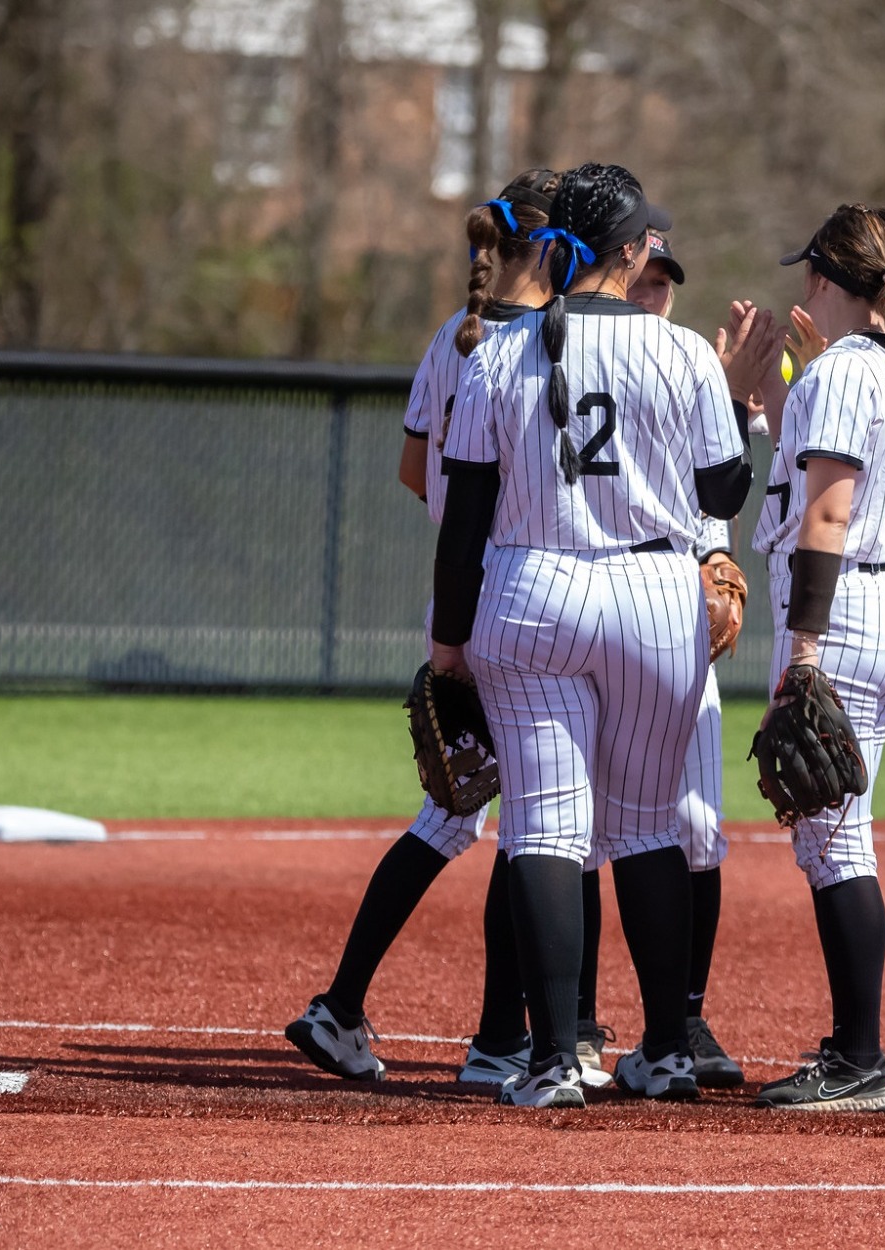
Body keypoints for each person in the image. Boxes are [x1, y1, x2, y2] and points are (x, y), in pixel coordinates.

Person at [432, 162, 773, 1108]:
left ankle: (550, 1061)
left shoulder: (500, 352)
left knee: (544, 828)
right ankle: (665, 1047)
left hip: (530, 593)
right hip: (653, 599)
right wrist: (741, 409)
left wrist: (445, 647)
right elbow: (718, 496)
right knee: (647, 829)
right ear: (633, 253)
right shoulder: (680, 355)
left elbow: (464, 523)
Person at [284, 169, 560, 1088]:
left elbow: (414, 472)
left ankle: (343, 1005)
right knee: (532, 827)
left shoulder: (457, 332)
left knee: (451, 816)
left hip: (458, 591)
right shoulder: (548, 344)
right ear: (557, 247)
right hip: (522, 595)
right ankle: (496, 1039)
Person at [747, 204, 885, 1112]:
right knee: (840, 837)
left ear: (828, 277)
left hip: (845, 611)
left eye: (808, 274)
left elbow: (825, 517)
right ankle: (855, 1051)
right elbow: (828, 478)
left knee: (834, 844)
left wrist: (803, 655)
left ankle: (860, 1060)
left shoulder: (839, 373)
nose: (801, 290)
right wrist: (771, 401)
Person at [621, 227, 745, 1088]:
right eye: (643, 281)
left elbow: (718, 511)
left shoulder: (692, 371)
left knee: (697, 828)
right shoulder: (585, 364)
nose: (655, 296)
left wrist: (717, 570)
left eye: (666, 284)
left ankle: (686, 1017)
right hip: (604, 611)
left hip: (674, 622)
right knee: (581, 830)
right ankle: (579, 1019)